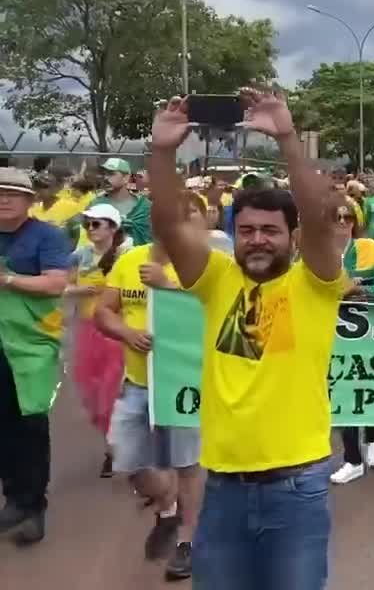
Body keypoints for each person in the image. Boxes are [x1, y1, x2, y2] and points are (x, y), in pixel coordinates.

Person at [148, 88, 344, 590]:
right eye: (247, 230)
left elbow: (320, 218)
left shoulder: (315, 283)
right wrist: (163, 150)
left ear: (291, 239)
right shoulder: (217, 278)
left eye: (270, 231)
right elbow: (170, 224)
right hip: (222, 491)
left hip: (296, 489)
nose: (257, 239)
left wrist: (286, 138)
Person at [95, 228, 202, 580]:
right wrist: (126, 333)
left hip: (183, 384)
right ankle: (167, 507)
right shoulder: (129, 260)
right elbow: (104, 311)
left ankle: (187, 543)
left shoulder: (205, 263)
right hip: (138, 382)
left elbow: (219, 316)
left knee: (187, 466)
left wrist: (168, 286)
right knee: (126, 459)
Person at [0, 167, 72, 547]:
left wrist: (8, 280)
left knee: (29, 423)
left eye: (13, 193)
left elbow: (57, 282)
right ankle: (14, 497)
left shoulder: (46, 236)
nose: (4, 199)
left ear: (29, 201)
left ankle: (33, 506)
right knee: (3, 425)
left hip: (32, 345)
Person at [331, 195, 374, 485]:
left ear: (356, 221)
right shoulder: (316, 252)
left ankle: (373, 438)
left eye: (347, 217)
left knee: (368, 386)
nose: (342, 222)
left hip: (366, 329)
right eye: (336, 217)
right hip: (330, 332)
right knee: (341, 393)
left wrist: (357, 288)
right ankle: (352, 459)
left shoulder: (368, 247)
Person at [66, 203, 130, 477]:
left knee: (112, 395)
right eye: (87, 224)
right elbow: (64, 286)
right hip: (89, 332)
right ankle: (114, 446)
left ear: (112, 228)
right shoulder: (80, 255)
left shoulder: (127, 255)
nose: (90, 230)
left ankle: (114, 451)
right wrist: (81, 289)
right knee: (92, 400)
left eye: (96, 224)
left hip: (118, 332)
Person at [90, 157, 153, 246]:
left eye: (111, 174)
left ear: (126, 178)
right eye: (104, 174)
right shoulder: (95, 205)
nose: (105, 178)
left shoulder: (145, 207)